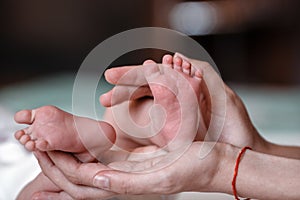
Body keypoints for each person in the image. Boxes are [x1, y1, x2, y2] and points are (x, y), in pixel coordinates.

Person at [16, 53, 300, 199]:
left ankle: (140, 126)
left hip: (29, 161)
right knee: (122, 123)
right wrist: (259, 151)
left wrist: (223, 165)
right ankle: (148, 125)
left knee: (120, 119)